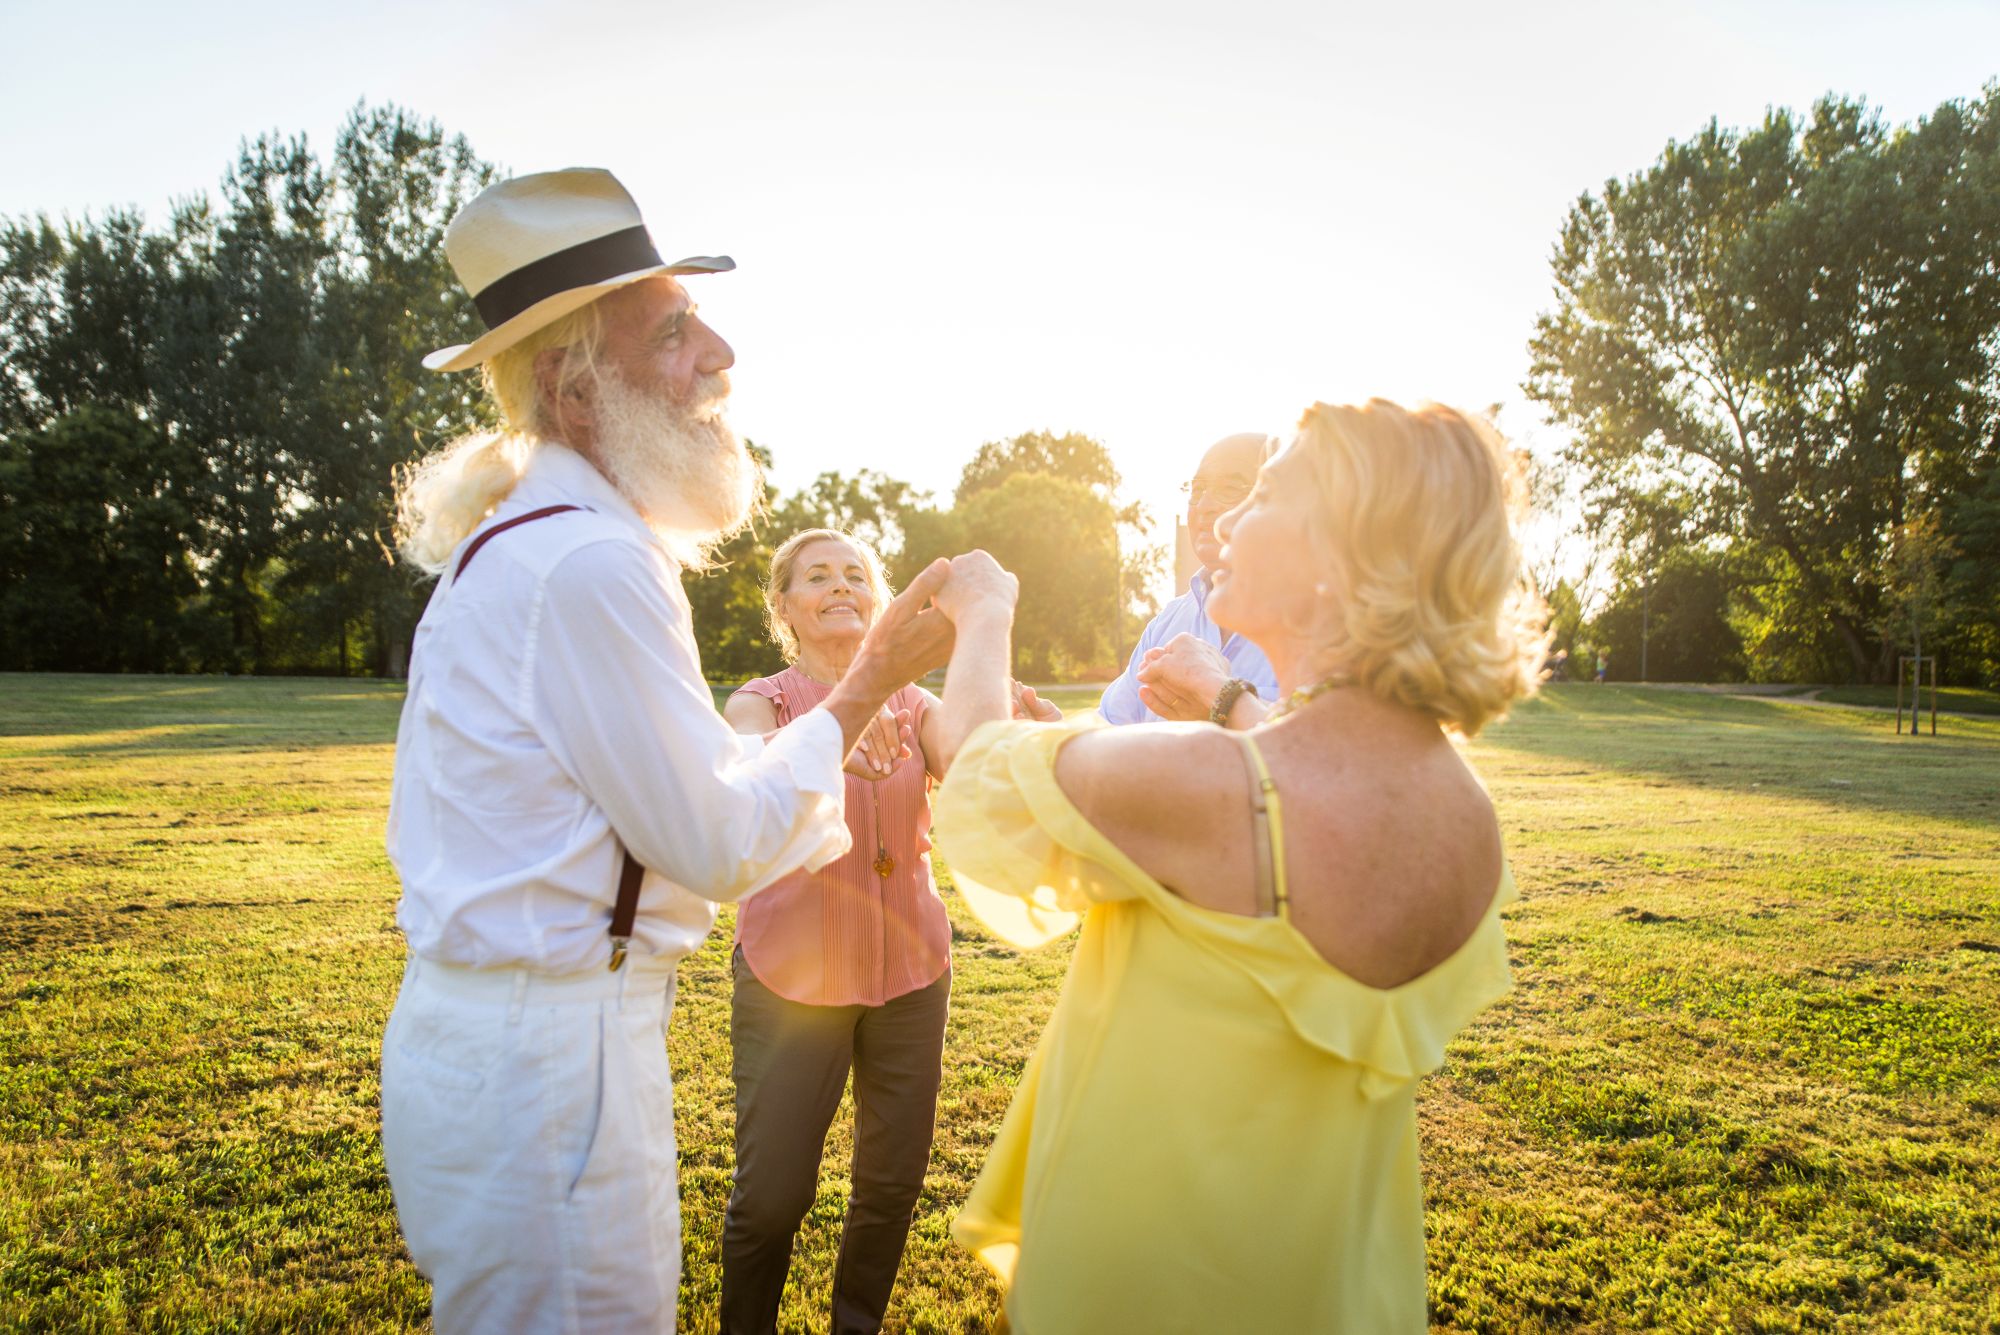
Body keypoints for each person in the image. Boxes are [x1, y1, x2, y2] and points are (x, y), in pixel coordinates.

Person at [378, 169, 954, 1334]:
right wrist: (868, 685)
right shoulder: (588, 562)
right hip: (550, 1064)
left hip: (512, 1043)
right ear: (576, 386)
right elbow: (714, 839)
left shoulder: (535, 540)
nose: (719, 352)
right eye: (676, 329)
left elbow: (687, 795)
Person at [923, 399, 1547, 1333]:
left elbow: (970, 757)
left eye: (1261, 494)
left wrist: (983, 613)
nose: (1222, 523)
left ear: (1341, 558)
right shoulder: (1468, 813)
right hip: (1333, 1288)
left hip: (1149, 1284)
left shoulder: (1224, 783)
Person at [716, 528, 1055, 1335]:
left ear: (881, 601)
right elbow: (740, 780)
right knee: (772, 1196)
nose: (840, 585)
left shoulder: (917, 702)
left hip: (911, 976)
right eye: (817, 576)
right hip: (791, 982)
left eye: (856, 575)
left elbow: (970, 761)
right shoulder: (762, 701)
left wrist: (1018, 732)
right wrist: (826, 737)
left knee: (892, 1183)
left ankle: (855, 1324)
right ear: (785, 608)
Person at [1096, 433, 1279, 725]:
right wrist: (1049, 731)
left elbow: (1318, 759)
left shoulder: (1321, 629)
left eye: (1229, 488)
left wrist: (1223, 710)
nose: (1204, 505)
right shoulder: (1168, 623)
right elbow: (1111, 728)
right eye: (1197, 489)